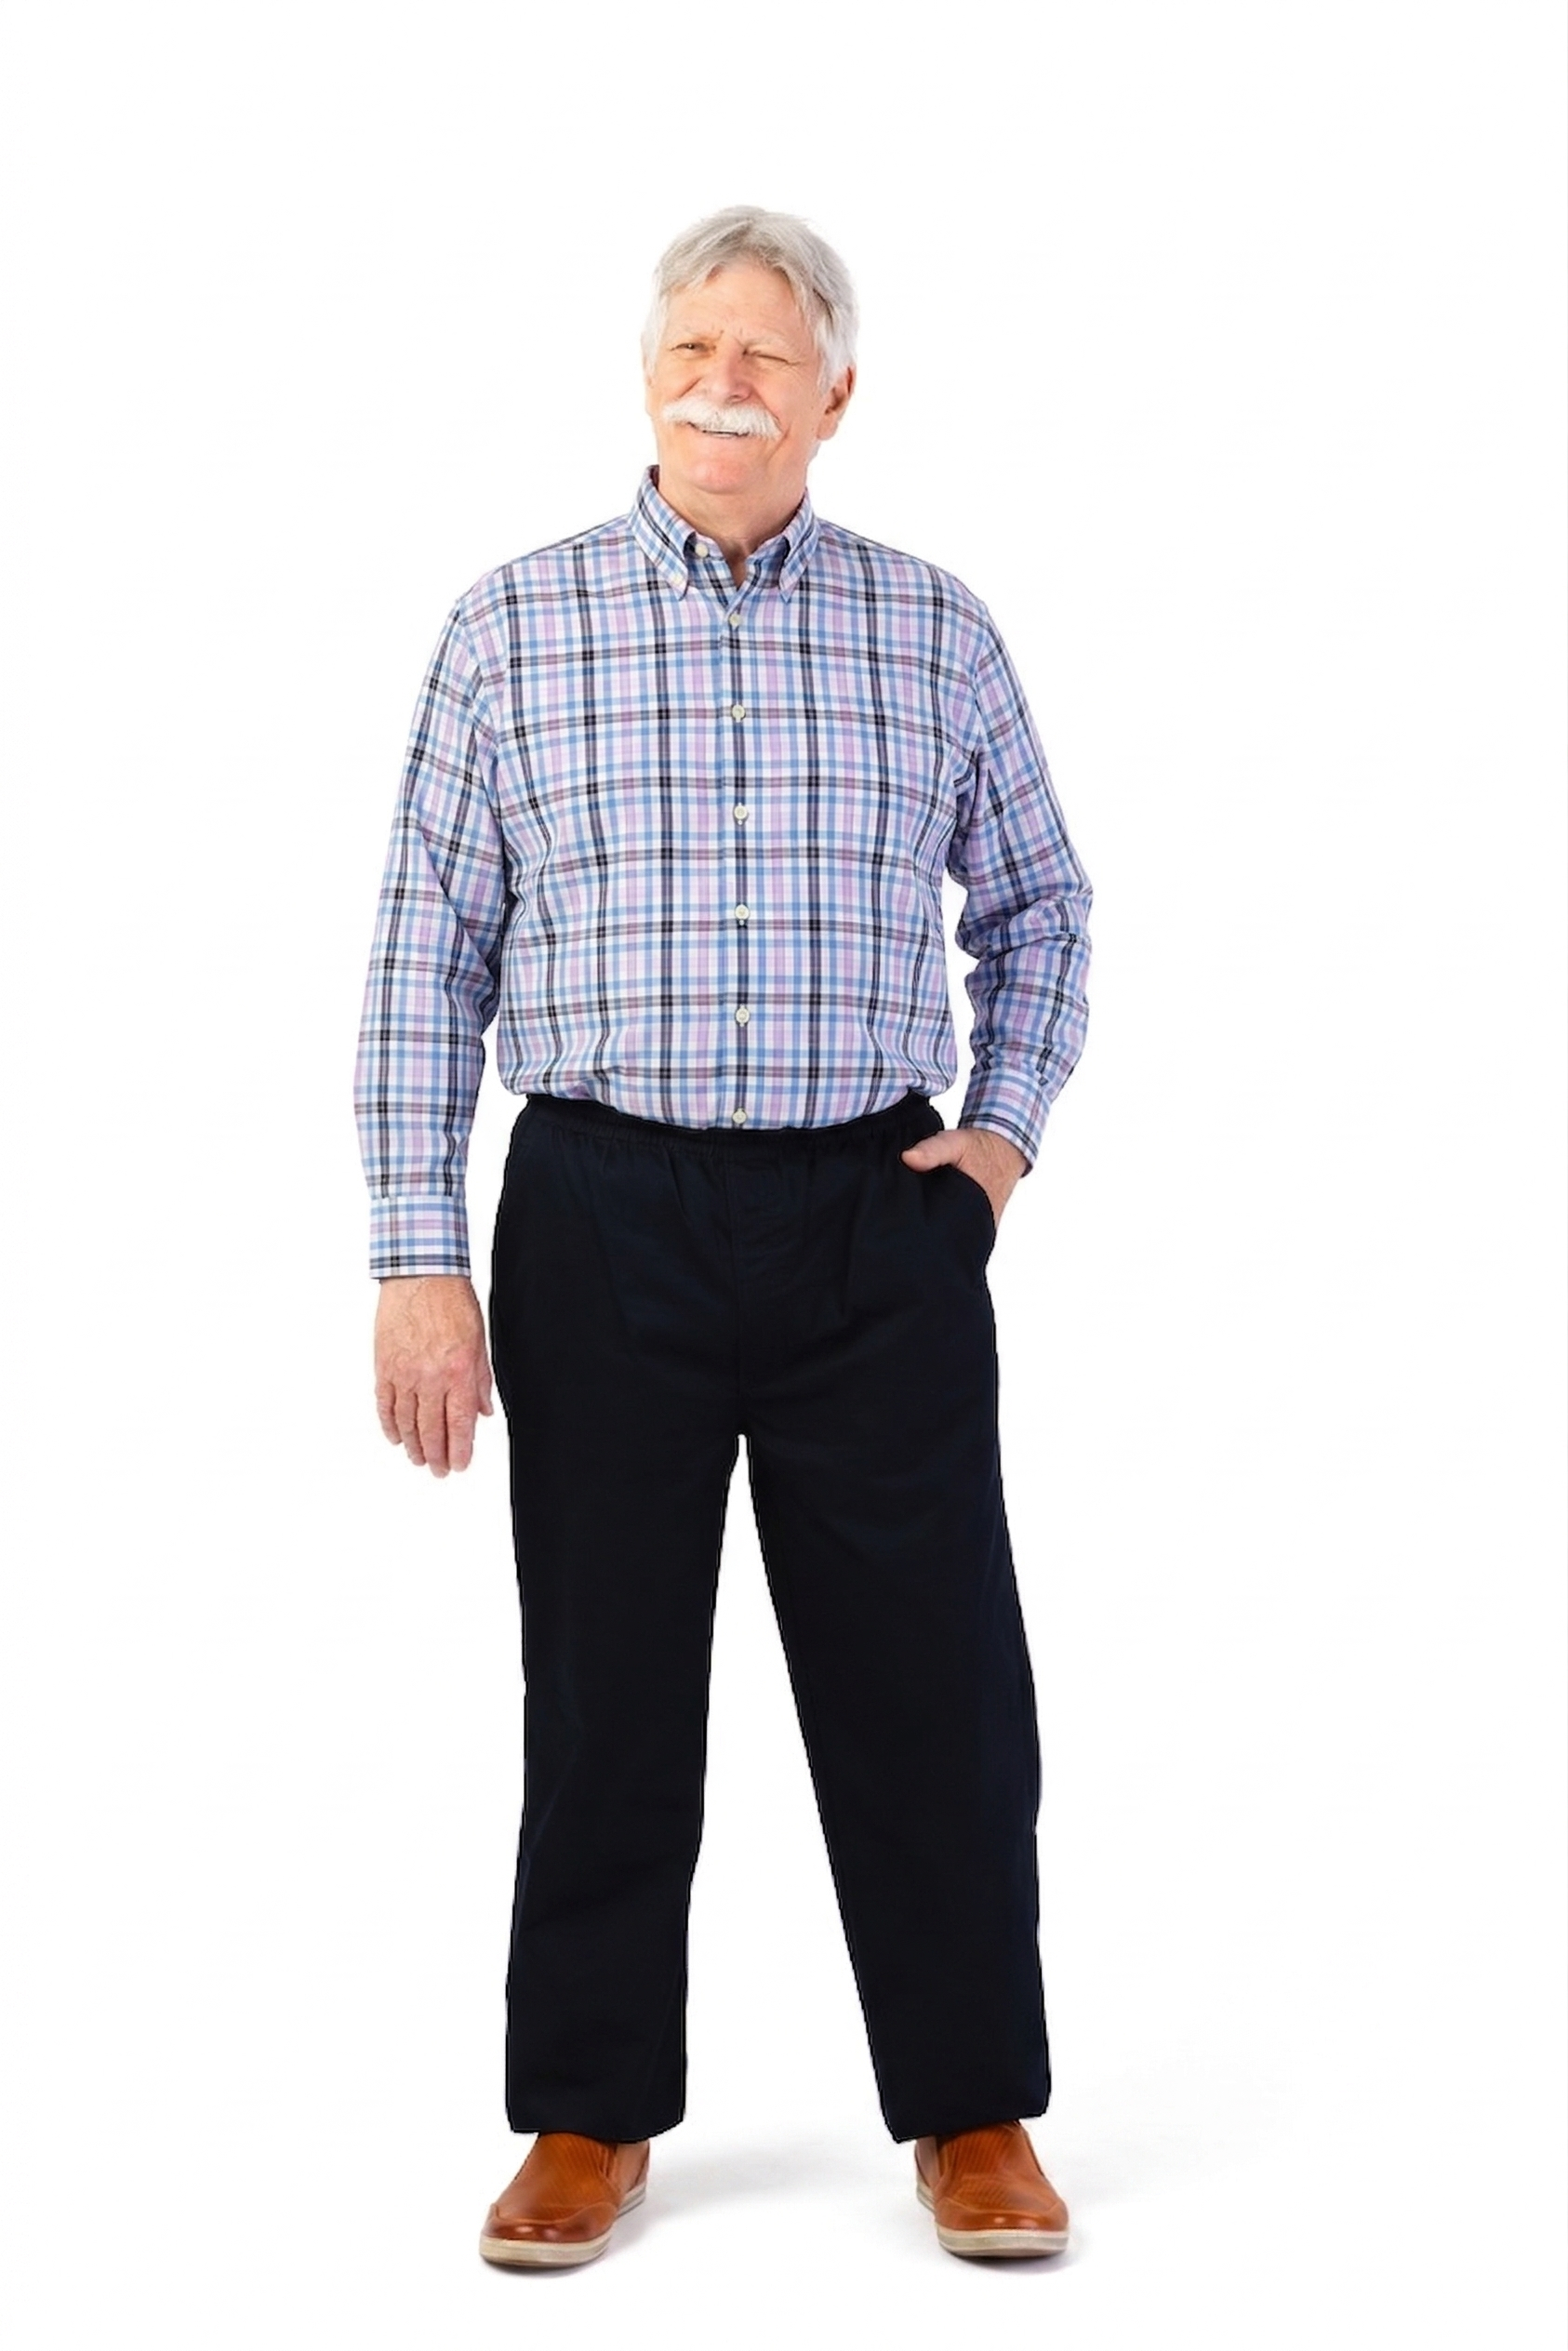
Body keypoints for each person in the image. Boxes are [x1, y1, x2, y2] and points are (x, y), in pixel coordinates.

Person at [354, 205, 1093, 2267]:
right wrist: (417, 1256)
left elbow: (1043, 905)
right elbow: (424, 955)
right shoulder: (513, 627)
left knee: (935, 1685)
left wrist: (998, 1144)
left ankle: (972, 2106)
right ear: (645, 377)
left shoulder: (933, 630)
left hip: (876, 1218)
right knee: (604, 1684)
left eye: (769, 353)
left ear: (836, 395)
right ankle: (586, 2115)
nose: (728, 383)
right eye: (695, 347)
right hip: (604, 1214)